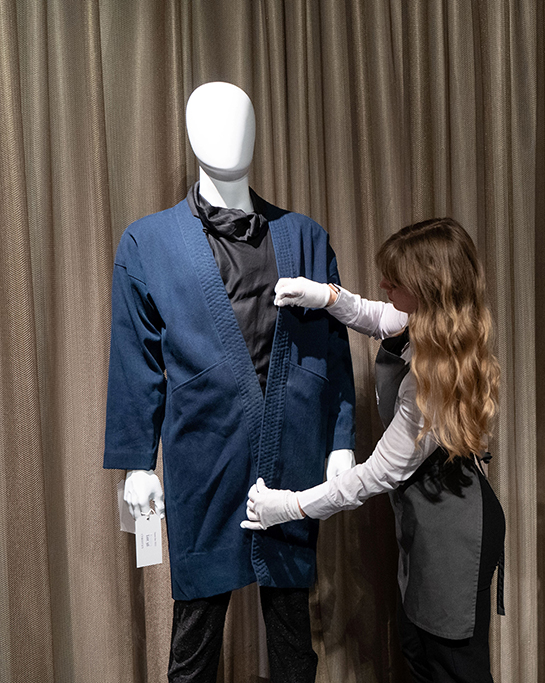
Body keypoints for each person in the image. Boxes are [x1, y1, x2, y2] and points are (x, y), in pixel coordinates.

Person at [104, 81, 356, 683]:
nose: (229, 133)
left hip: (292, 452)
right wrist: (138, 463)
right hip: (205, 455)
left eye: (240, 118)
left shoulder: (306, 236)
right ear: (190, 135)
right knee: (195, 641)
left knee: (295, 639)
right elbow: (135, 361)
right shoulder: (148, 242)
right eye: (213, 121)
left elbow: (335, 346)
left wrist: (341, 438)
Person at [243, 217, 506, 683]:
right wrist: (327, 297)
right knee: (417, 647)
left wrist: (291, 505)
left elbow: (373, 476)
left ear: (428, 290)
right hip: (430, 519)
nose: (383, 284)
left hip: (455, 532)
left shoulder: (433, 384)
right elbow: (376, 315)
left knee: (451, 666)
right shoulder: (423, 321)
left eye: (395, 280)